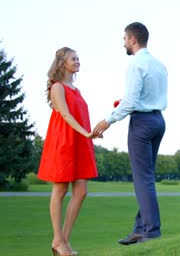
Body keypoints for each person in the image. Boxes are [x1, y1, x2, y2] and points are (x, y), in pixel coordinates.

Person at [93, 22, 168, 245]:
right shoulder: (159, 64)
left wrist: (108, 120)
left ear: (133, 40)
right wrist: (126, 104)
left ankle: (151, 231)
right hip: (158, 120)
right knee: (146, 178)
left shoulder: (136, 64)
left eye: (124, 39)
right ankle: (140, 228)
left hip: (142, 123)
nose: (123, 43)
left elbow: (132, 102)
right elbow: (140, 98)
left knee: (142, 179)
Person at [38, 47, 99, 255]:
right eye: (74, 58)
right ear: (63, 62)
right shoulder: (57, 88)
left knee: (81, 191)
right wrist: (86, 132)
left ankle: (61, 240)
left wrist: (88, 134)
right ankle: (60, 242)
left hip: (80, 142)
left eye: (79, 58)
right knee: (61, 190)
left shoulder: (76, 89)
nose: (78, 61)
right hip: (64, 142)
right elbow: (64, 115)